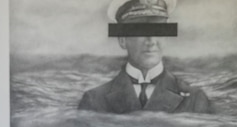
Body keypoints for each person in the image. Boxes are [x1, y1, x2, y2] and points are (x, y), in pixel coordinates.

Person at [78, 0, 213, 114]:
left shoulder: (195, 100)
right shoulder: (94, 101)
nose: (151, 40)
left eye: (159, 30)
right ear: (122, 40)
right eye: (140, 30)